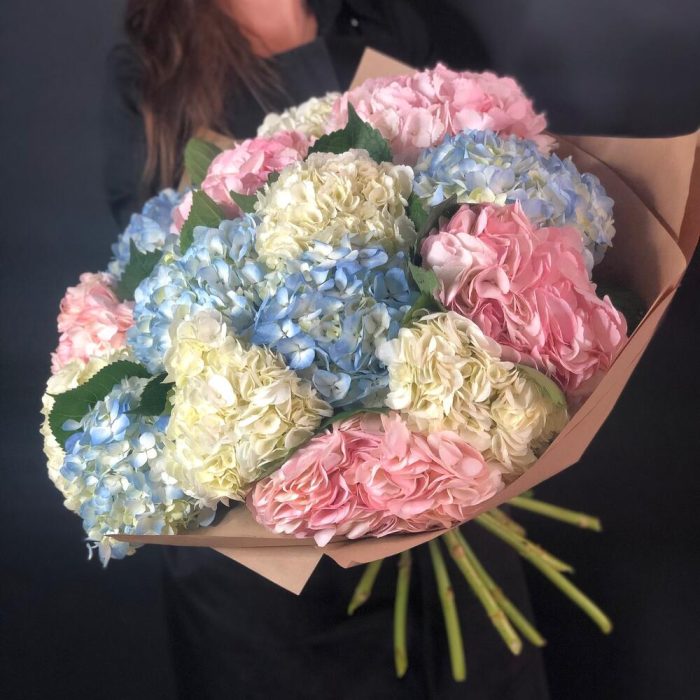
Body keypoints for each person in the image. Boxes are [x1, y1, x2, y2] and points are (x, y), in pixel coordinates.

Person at [102, 1, 550, 697]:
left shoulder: (397, 17)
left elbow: (487, 198)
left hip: (448, 500)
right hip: (271, 570)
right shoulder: (151, 67)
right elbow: (154, 291)